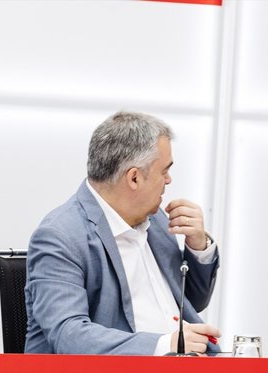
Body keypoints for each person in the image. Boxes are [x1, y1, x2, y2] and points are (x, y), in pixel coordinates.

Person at [25, 111, 220, 355]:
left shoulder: (156, 219)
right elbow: (69, 335)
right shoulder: (60, 236)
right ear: (134, 178)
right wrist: (165, 345)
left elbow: (193, 302)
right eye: (164, 171)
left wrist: (198, 247)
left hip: (189, 367)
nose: (169, 180)